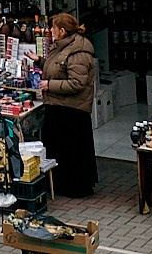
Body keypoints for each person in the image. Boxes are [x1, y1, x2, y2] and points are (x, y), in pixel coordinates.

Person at [38, 11, 98, 197]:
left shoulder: (78, 52)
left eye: (53, 28)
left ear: (62, 31)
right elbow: (58, 68)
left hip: (71, 110)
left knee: (72, 151)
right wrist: (40, 62)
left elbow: (77, 83)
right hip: (60, 106)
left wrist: (50, 85)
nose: (50, 31)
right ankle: (61, 184)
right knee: (61, 149)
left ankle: (75, 187)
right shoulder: (63, 47)